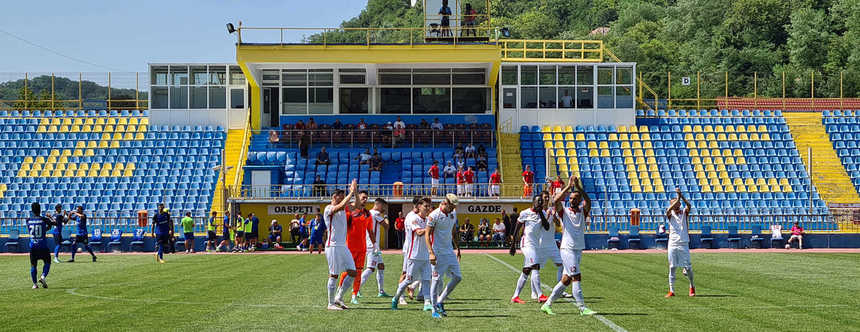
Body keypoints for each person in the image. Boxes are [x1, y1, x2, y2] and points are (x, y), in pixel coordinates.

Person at [541, 175, 596, 316]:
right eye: (570, 198)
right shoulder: (564, 211)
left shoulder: (583, 211)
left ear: (579, 200)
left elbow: (588, 201)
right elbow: (555, 200)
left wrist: (578, 188)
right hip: (567, 249)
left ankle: (547, 304)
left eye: (574, 198)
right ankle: (582, 308)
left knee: (566, 280)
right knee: (577, 277)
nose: (571, 200)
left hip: (578, 249)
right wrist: (568, 186)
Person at [392, 197, 433, 311]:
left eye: (429, 206)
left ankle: (427, 302)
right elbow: (419, 232)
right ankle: (396, 298)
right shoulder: (413, 218)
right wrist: (429, 228)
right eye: (425, 206)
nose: (428, 208)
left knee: (426, 279)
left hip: (425, 255)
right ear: (419, 206)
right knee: (408, 279)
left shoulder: (428, 220)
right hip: (413, 255)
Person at [509, 194, 551, 304]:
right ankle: (540, 295)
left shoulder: (543, 214)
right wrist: (513, 245)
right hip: (526, 244)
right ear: (533, 202)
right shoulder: (525, 213)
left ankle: (515, 296)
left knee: (526, 271)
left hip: (536, 245)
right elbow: (517, 228)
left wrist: (541, 213)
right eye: (538, 202)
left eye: (541, 203)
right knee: (535, 266)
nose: (540, 204)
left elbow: (547, 227)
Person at [324, 179, 358, 311]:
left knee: (353, 272)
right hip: (332, 246)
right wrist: (350, 193)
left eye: (344, 197)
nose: (344, 199)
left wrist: (354, 192)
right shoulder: (329, 208)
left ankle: (339, 297)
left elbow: (358, 206)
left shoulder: (344, 208)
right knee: (334, 275)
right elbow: (341, 206)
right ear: (334, 197)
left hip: (342, 246)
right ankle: (330, 303)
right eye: (341, 197)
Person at [426, 194, 462, 318]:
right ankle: (434, 309)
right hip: (438, 252)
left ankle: (440, 301)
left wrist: (458, 248)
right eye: (452, 206)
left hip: (449, 251)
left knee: (457, 277)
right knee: (436, 280)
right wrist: (431, 253)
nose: (454, 209)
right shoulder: (434, 215)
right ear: (445, 203)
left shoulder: (453, 213)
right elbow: (427, 235)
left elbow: (453, 231)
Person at [344, 191, 373, 304]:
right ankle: (339, 292)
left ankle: (354, 295)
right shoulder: (350, 211)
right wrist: (353, 192)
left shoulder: (367, 214)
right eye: (363, 198)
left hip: (362, 248)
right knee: (347, 272)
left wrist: (375, 246)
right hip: (349, 247)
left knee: (359, 272)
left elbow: (370, 231)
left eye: (366, 198)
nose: (365, 200)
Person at [666, 188, 696, 297]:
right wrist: (677, 198)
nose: (676, 205)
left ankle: (692, 286)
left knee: (687, 267)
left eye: (677, 203)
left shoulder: (684, 212)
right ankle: (672, 290)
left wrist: (681, 197)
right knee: (672, 267)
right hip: (673, 242)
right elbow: (668, 210)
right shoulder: (670, 214)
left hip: (683, 242)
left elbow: (689, 206)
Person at [360, 198, 390, 298]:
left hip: (372, 245)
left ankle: (381, 291)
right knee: (370, 268)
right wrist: (385, 216)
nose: (383, 208)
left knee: (381, 266)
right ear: (378, 204)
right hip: (373, 246)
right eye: (383, 206)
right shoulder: (376, 214)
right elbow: (386, 226)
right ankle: (356, 288)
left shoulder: (368, 213)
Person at [27, 202, 55, 289]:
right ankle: (42, 277)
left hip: (33, 246)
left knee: (33, 265)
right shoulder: (44, 219)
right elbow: (53, 224)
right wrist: (47, 228)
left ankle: (35, 284)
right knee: (47, 262)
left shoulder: (28, 220)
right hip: (42, 246)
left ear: (32, 210)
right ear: (40, 210)